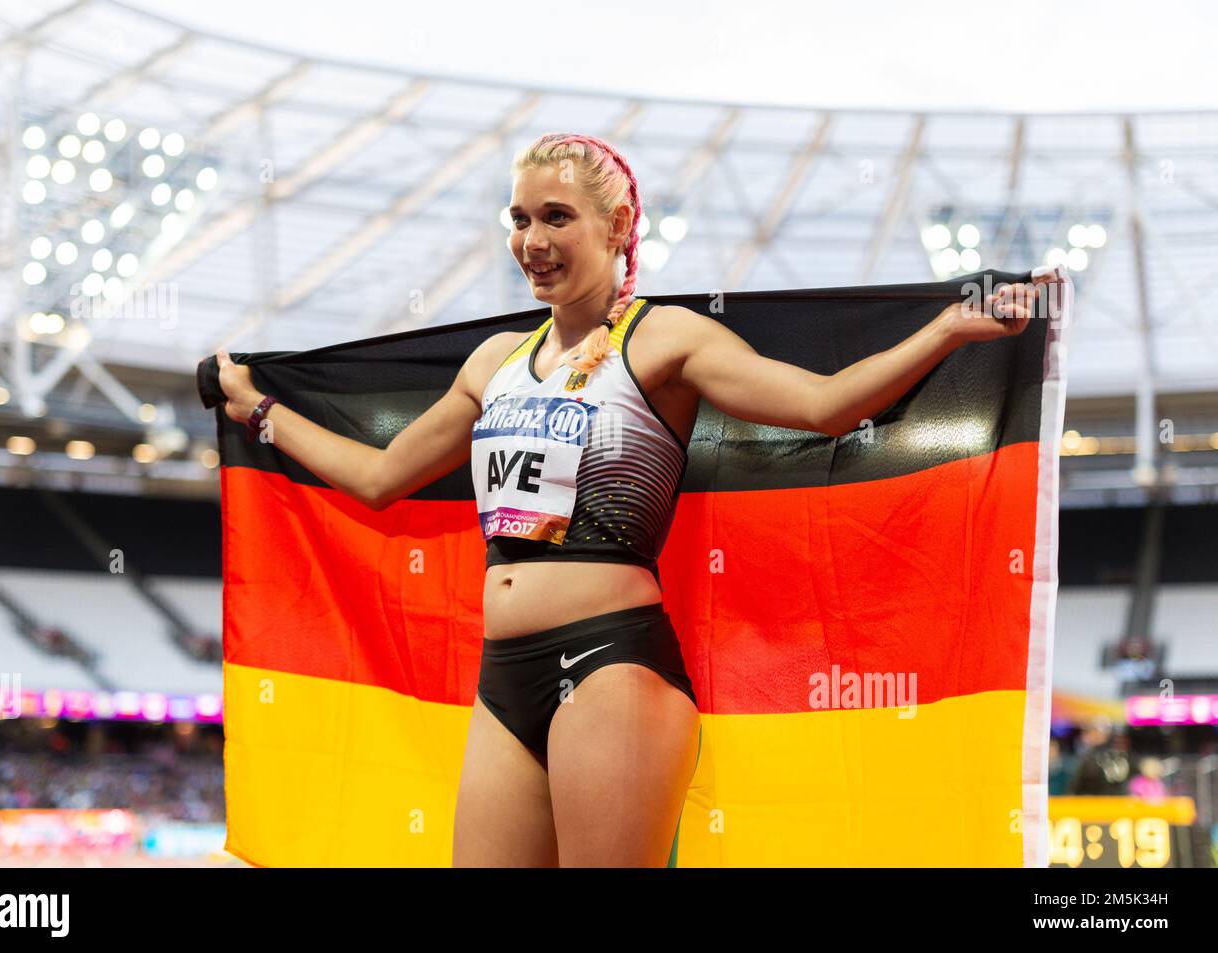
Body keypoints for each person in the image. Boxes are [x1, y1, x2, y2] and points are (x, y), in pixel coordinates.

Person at [215, 132, 1052, 867]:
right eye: (518, 219)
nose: (531, 240)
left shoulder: (666, 338)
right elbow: (378, 475)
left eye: (555, 217)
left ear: (618, 227)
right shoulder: (493, 361)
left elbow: (822, 405)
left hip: (611, 663)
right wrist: (259, 410)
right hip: (502, 677)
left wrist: (947, 327)